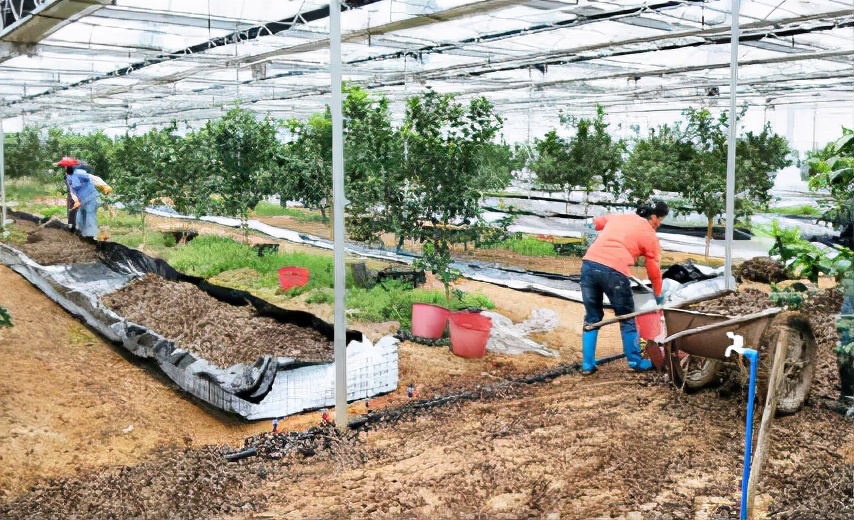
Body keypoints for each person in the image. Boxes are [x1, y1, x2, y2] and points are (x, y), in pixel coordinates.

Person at [580, 200, 669, 375]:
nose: (659, 224)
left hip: (588, 266)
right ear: (653, 217)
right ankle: (635, 362)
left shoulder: (620, 217)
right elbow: (654, 271)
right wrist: (658, 294)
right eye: (660, 219)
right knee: (627, 317)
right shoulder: (649, 235)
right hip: (613, 272)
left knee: (592, 317)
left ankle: (587, 364)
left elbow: (595, 222)